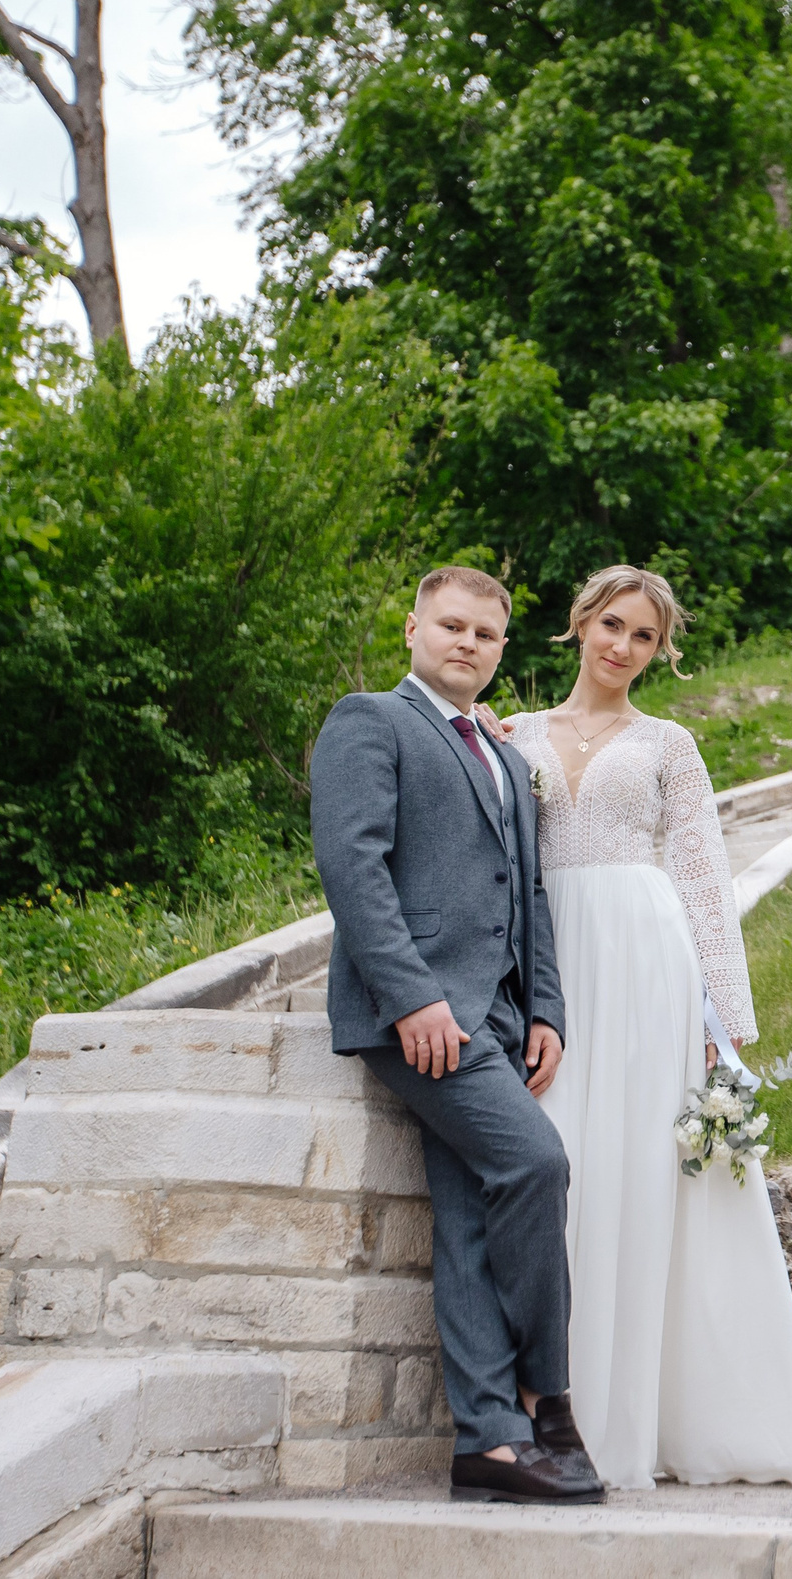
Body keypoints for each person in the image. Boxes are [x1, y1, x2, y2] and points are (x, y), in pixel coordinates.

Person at [484, 565, 792, 1492]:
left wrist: (722, 1026)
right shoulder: (511, 734)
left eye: (643, 637)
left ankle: (634, 1426)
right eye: (610, 625)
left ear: (661, 652)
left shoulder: (670, 745)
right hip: (555, 960)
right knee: (564, 1165)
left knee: (642, 1176)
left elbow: (701, 880)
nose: (622, 646)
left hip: (648, 962)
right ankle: (556, 1414)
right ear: (578, 625)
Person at [310, 565, 597, 1506]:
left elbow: (532, 896)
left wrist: (545, 1007)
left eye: (485, 632)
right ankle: (547, 1400)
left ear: (502, 649)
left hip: (501, 1017)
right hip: (421, 1018)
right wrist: (411, 996)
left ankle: (488, 1445)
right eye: (451, 625)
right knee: (536, 1164)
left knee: (472, 1220)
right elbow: (352, 865)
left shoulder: (508, 758)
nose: (466, 642)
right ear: (413, 629)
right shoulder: (370, 720)